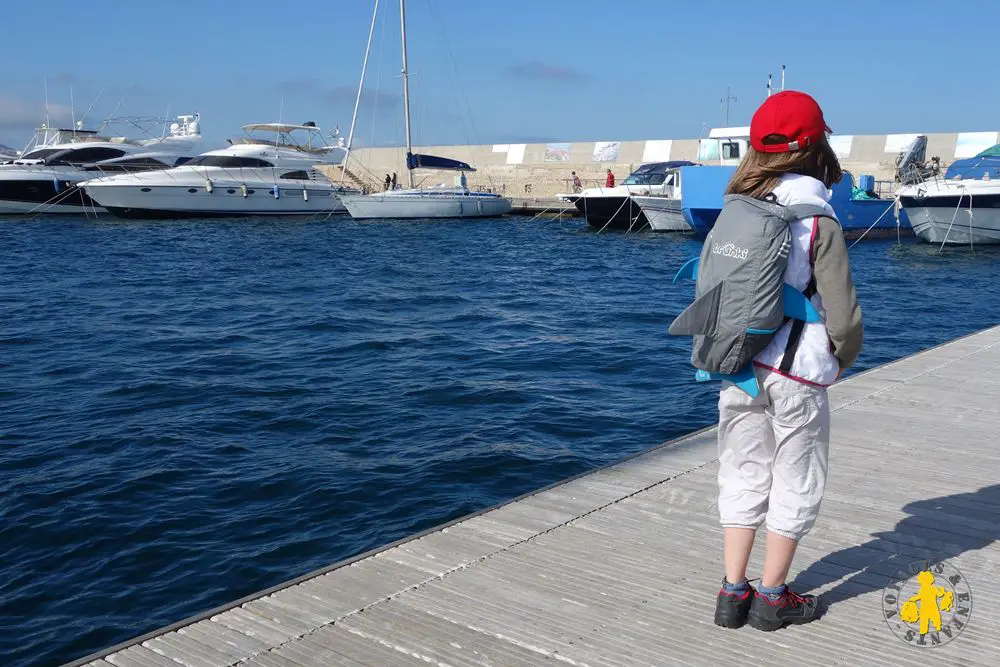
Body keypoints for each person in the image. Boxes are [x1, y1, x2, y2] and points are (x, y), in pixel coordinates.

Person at [711, 91, 863, 632]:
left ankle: (733, 593)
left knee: (743, 470)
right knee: (795, 478)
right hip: (796, 373)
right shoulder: (818, 215)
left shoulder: (738, 205)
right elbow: (843, 316)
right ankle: (773, 597)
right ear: (818, 144)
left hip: (737, 364)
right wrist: (842, 358)